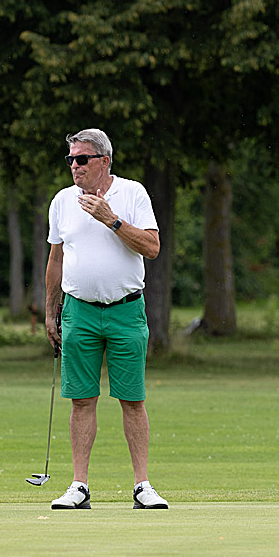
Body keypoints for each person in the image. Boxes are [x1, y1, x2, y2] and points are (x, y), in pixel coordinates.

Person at [45, 128, 169, 510]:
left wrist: (111, 220)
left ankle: (143, 485)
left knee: (132, 399)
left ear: (104, 161)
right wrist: (50, 312)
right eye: (70, 160)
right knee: (81, 400)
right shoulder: (63, 201)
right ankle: (78, 486)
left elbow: (152, 247)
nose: (74, 167)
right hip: (79, 310)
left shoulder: (132, 194)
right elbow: (56, 259)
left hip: (126, 310)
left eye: (81, 159)